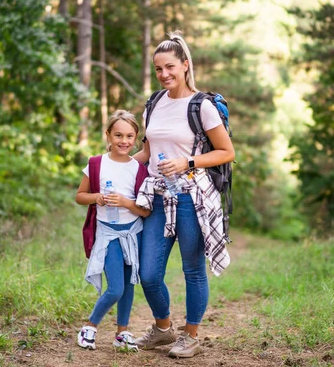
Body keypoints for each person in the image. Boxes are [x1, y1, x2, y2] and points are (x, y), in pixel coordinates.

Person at [133, 31, 235, 358]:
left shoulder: (201, 106)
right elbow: (147, 152)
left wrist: (187, 161)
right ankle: (163, 329)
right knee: (148, 273)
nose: (164, 74)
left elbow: (226, 152)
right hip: (158, 199)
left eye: (170, 67)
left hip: (193, 198)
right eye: (159, 68)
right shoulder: (153, 103)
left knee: (192, 269)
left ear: (185, 65)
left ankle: (190, 335)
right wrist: (107, 165)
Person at [75, 110, 150, 352]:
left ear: (136, 137)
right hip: (108, 235)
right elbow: (79, 196)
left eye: (129, 136)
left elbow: (146, 211)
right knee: (115, 287)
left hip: (133, 233)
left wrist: (126, 203)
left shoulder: (139, 169)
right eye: (118, 135)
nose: (124, 141)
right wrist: (97, 197)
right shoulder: (96, 164)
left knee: (129, 285)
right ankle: (90, 326)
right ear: (108, 135)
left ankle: (122, 332)